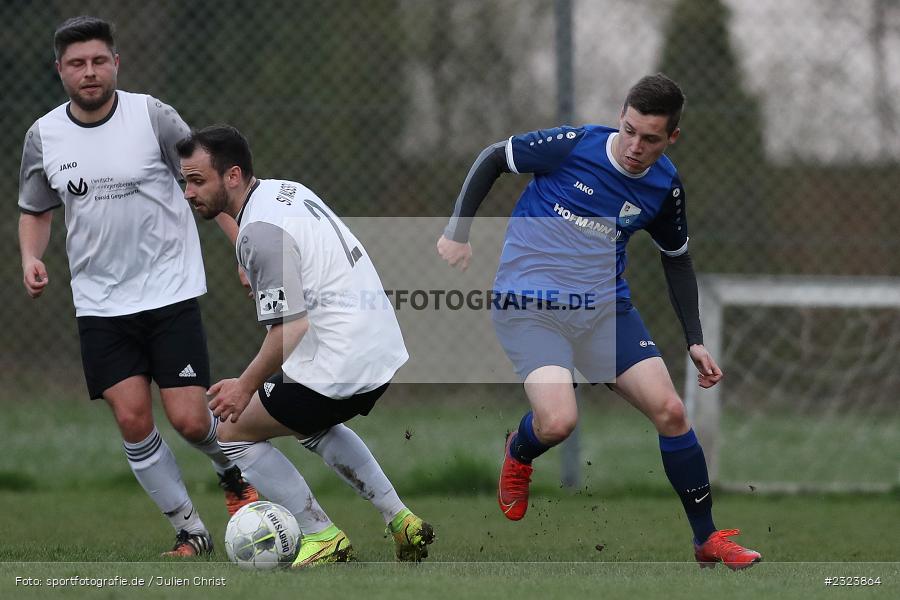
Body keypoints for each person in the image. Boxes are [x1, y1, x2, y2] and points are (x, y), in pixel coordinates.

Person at [436, 74, 761, 570]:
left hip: (604, 313)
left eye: (650, 138)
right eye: (629, 129)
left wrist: (694, 340)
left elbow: (676, 258)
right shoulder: (571, 147)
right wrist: (458, 233)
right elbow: (493, 157)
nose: (635, 146)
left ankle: (706, 539)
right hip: (530, 307)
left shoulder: (663, 185)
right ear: (621, 116)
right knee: (559, 421)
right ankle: (520, 450)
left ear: (672, 137)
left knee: (672, 412)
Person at [17, 16, 257, 557]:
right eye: (77, 64)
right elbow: (35, 209)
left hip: (169, 292)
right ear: (60, 71)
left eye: (99, 61)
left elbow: (207, 184)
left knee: (192, 420)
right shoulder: (44, 136)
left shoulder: (152, 116)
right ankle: (190, 531)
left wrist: (244, 250)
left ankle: (235, 475)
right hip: (100, 303)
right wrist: (32, 255)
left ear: (116, 63)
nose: (90, 72)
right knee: (131, 418)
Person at [176, 124, 435, 567]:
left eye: (197, 180)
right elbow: (286, 257)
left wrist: (243, 386)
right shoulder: (285, 191)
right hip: (379, 347)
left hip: (337, 359)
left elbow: (289, 330)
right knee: (307, 423)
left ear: (232, 176)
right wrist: (253, 267)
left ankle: (321, 535)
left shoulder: (259, 233)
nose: (187, 192)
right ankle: (401, 521)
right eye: (185, 181)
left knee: (231, 431)